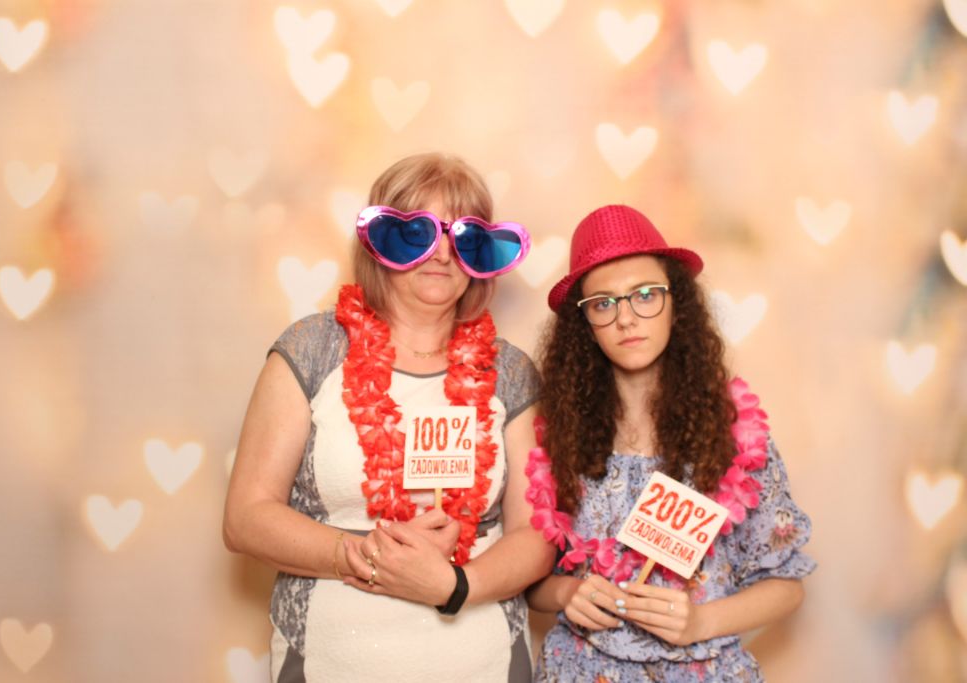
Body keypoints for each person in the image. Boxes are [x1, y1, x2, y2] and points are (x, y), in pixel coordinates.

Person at [222, 152, 554, 682]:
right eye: (417, 232)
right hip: (332, 660)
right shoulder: (312, 350)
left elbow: (535, 535)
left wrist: (452, 586)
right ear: (378, 241)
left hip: (482, 661)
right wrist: (371, 556)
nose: (441, 253)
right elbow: (246, 517)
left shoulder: (510, 372)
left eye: (463, 236)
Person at [525, 205, 815, 682]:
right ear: (584, 324)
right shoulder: (557, 433)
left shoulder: (734, 434)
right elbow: (530, 574)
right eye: (603, 303)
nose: (626, 318)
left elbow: (787, 585)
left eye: (646, 295)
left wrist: (701, 621)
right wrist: (564, 593)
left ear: (676, 302)